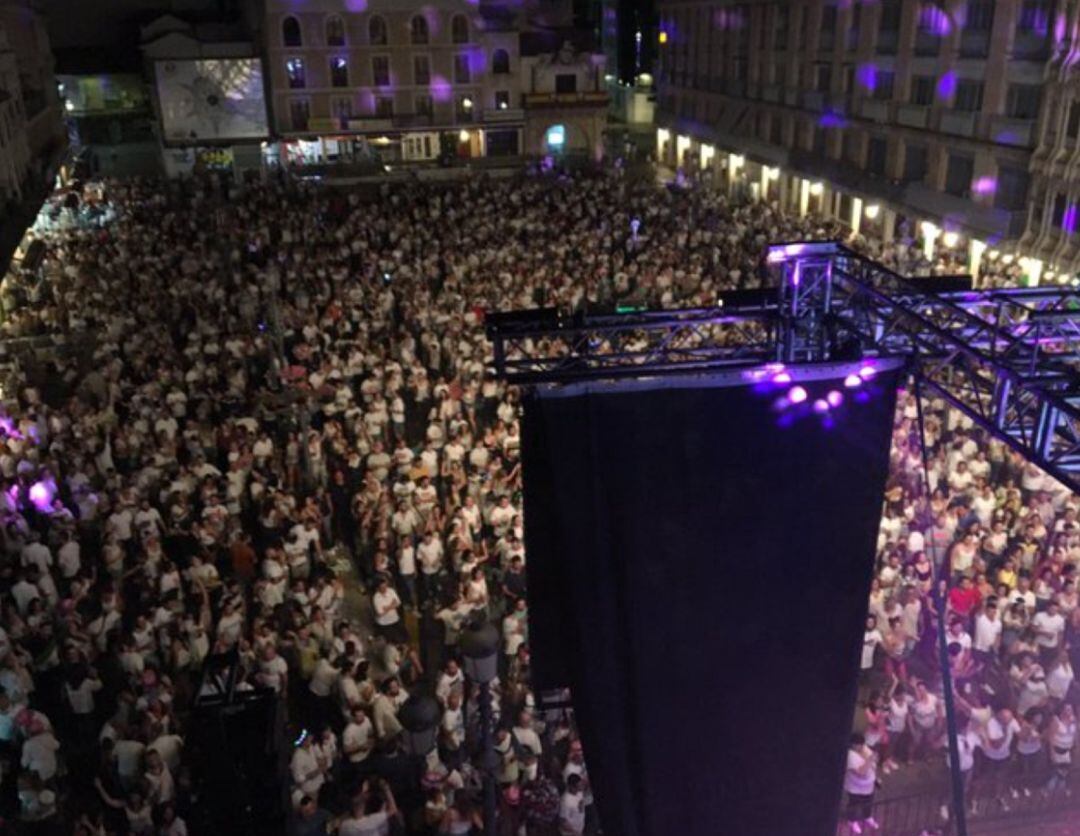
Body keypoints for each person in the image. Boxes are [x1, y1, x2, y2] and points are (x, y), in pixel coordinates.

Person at [843, 733, 879, 834]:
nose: (862, 746)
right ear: (853, 745)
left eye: (862, 744)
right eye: (859, 744)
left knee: (868, 802)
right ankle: (852, 821)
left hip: (868, 785)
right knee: (854, 803)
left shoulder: (863, 748)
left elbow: (875, 758)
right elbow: (861, 772)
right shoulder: (850, 755)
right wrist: (870, 759)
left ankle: (867, 816)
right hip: (855, 787)